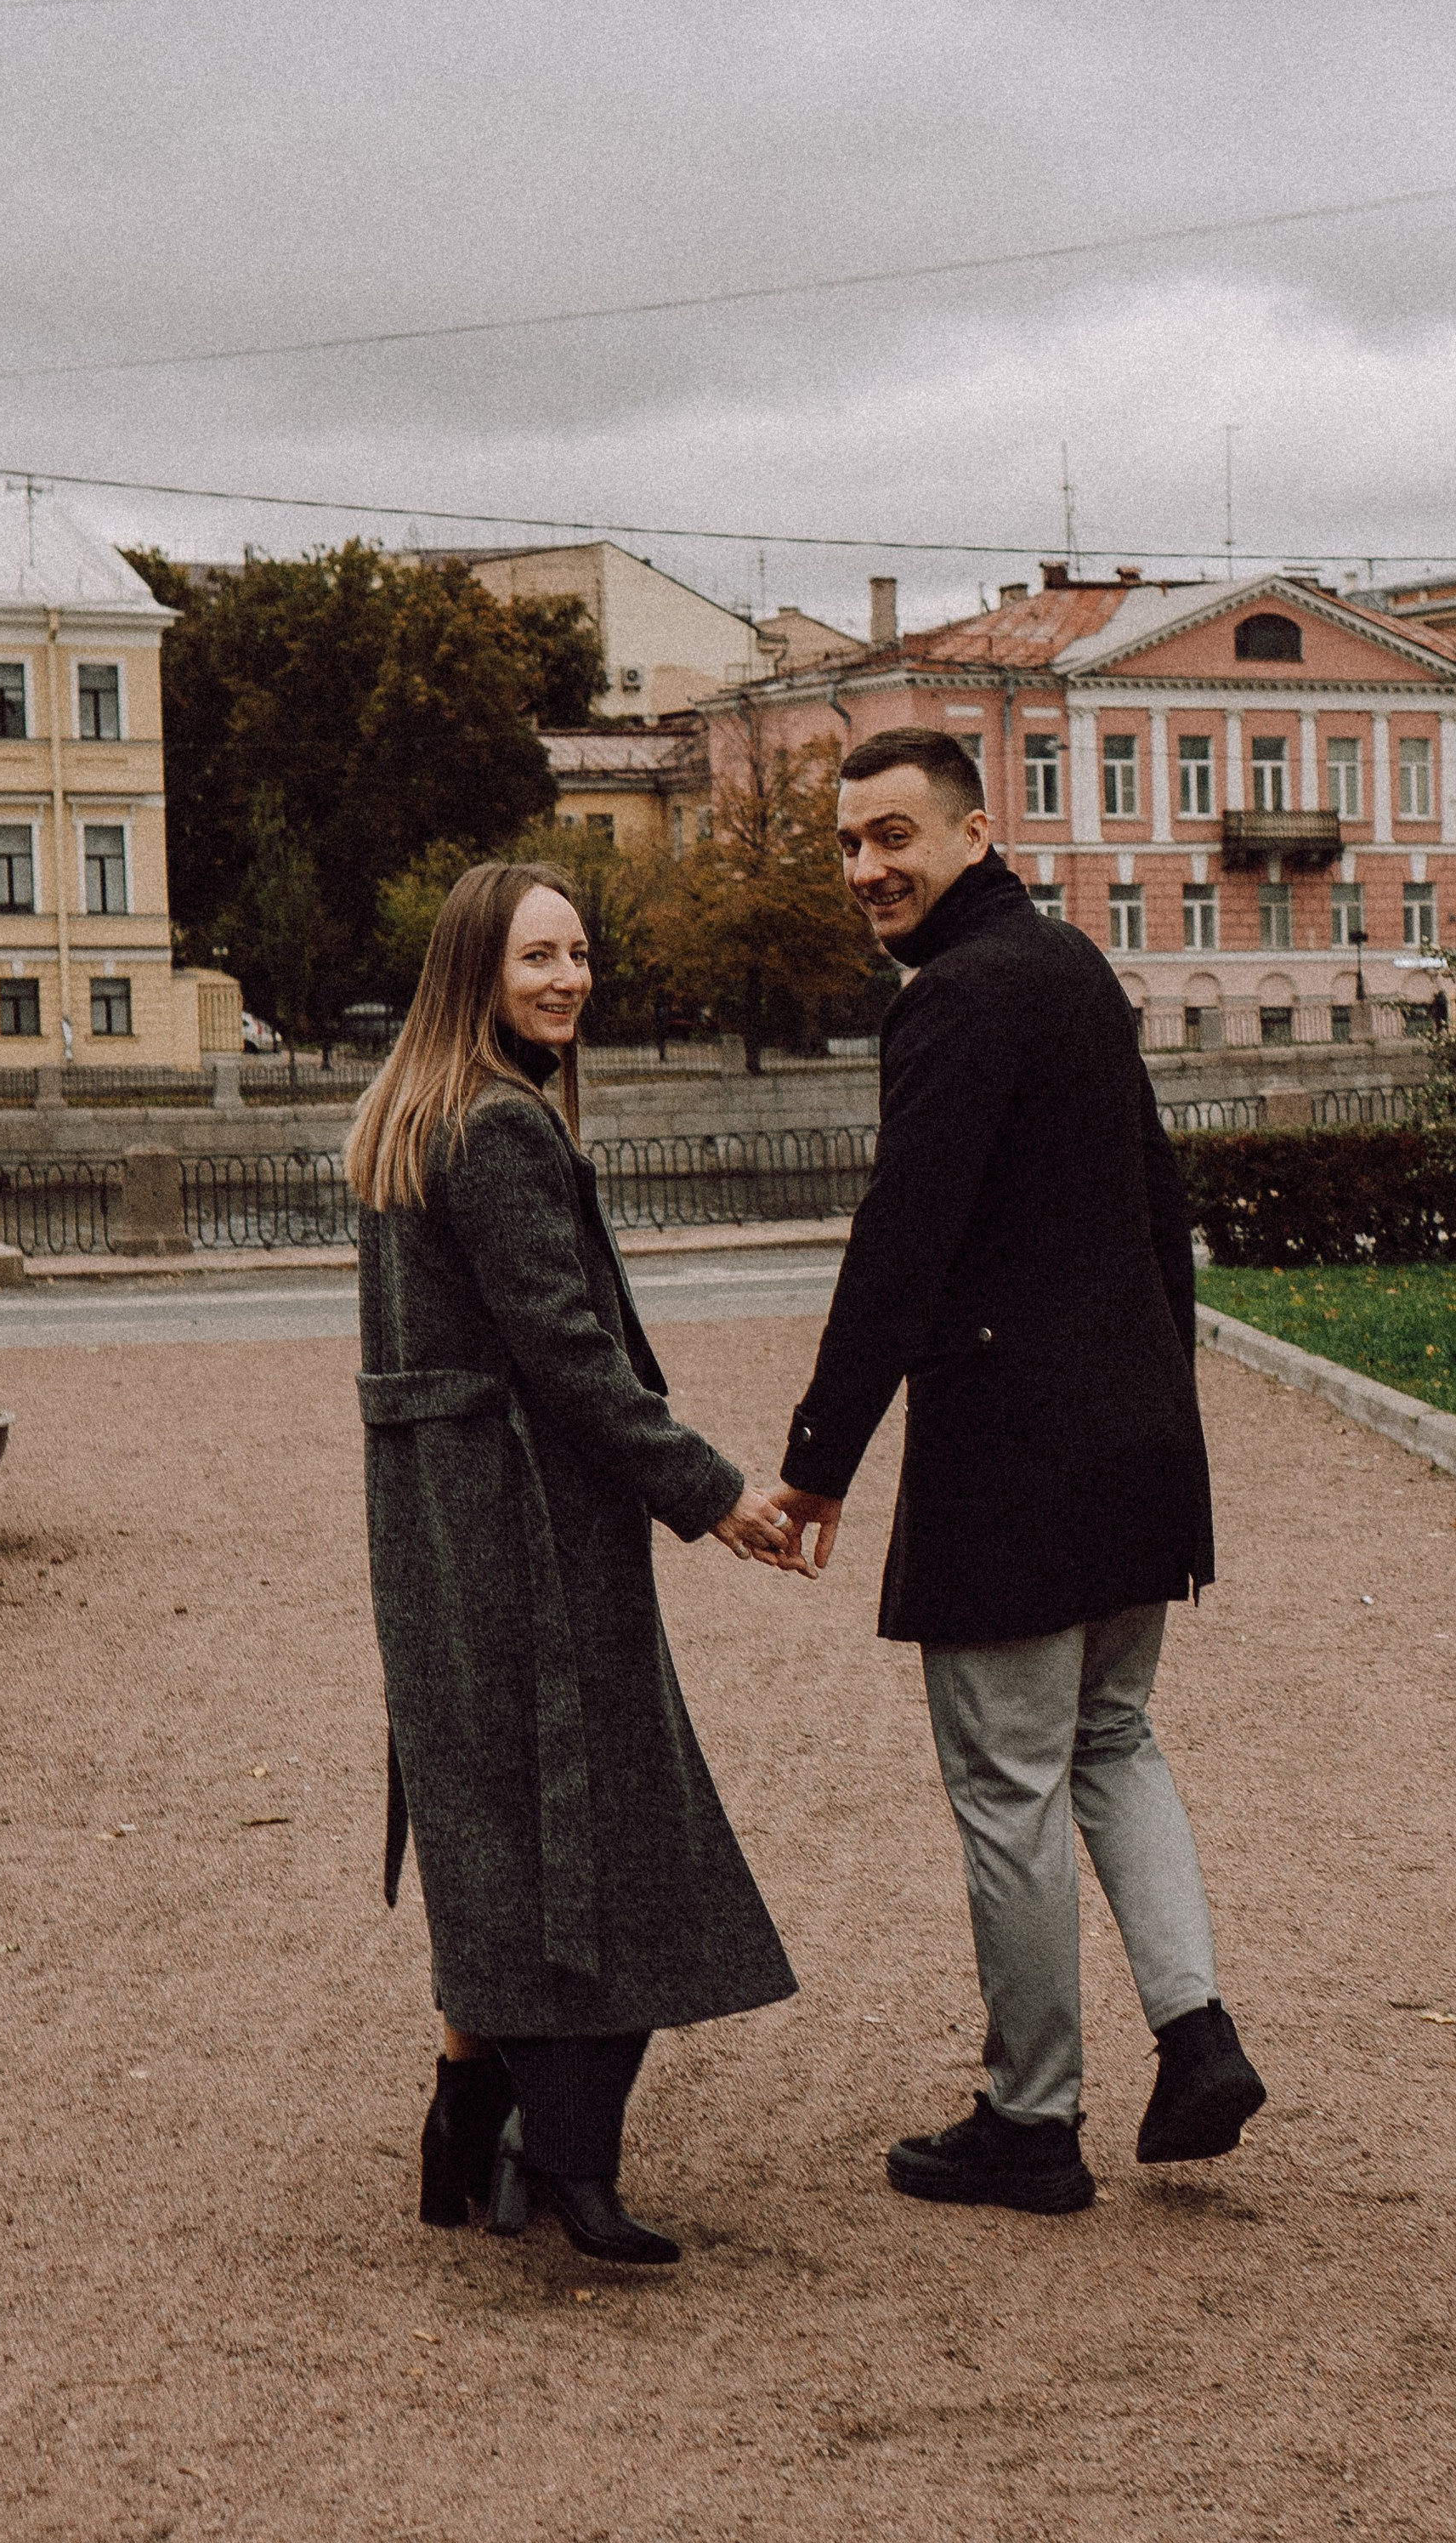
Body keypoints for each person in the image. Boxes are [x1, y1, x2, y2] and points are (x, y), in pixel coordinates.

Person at [772, 729, 1266, 2216]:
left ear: (975, 831)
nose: (867, 867)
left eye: (896, 836)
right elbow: (1159, 1205)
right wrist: (1165, 1408)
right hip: (1132, 1441)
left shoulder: (955, 1004)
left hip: (1016, 1458)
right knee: (1115, 1739)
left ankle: (1031, 2117)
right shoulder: (1071, 971)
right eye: (850, 844)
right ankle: (1198, 2033)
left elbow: (899, 1249)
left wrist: (818, 1458)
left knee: (1009, 1781)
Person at [347, 860, 799, 2270]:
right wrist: (712, 1492)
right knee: (607, 1830)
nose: (569, 980)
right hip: (532, 1523)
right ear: (476, 970)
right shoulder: (496, 1128)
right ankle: (572, 2167)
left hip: (443, 1522)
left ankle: (465, 2129)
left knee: (493, 1815)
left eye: (581, 954)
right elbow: (566, 1354)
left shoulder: (404, 1117)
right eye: (538, 957)